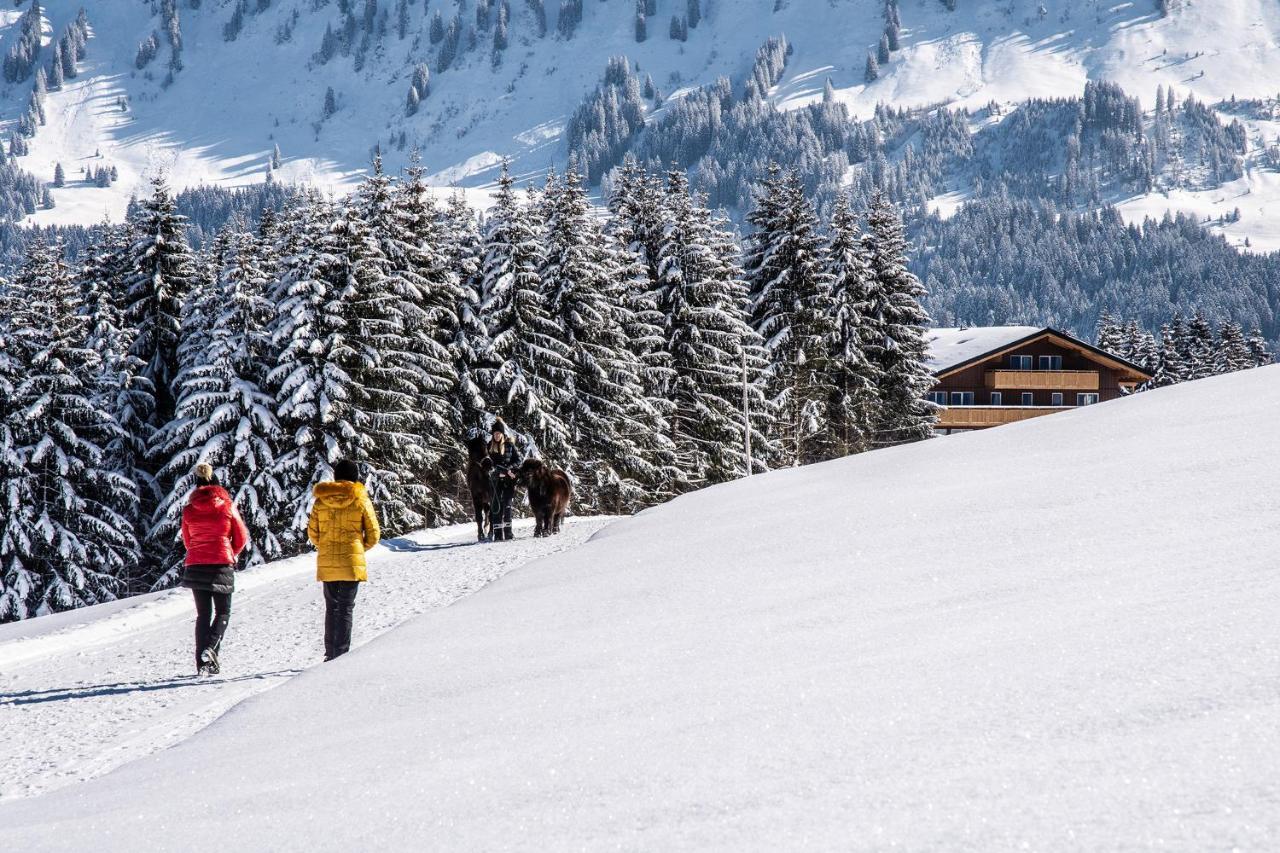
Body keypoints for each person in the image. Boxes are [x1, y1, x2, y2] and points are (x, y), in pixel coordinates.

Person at [180, 463, 250, 676]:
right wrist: (230, 552)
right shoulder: (227, 506)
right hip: (221, 562)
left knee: (203, 615)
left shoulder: (189, 509)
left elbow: (187, 540)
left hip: (195, 563)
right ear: (217, 486)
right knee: (223, 612)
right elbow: (241, 537)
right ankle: (210, 649)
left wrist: (198, 551)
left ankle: (203, 664)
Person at [308, 459, 381, 661]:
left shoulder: (321, 500)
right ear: (355, 477)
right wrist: (357, 548)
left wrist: (325, 547)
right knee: (346, 607)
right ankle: (341, 655)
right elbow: (374, 534)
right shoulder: (360, 499)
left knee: (331, 606)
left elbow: (313, 533)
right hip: (351, 562)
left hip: (327, 561)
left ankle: (330, 652)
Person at [487, 420, 519, 541]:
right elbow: (488, 465)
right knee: (496, 507)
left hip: (509, 481)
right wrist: (497, 473)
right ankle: (498, 534)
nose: (497, 435)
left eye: (499, 433)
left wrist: (510, 470)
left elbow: (518, 460)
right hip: (495, 482)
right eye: (495, 433)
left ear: (502, 434)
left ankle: (508, 532)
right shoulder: (489, 447)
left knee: (507, 506)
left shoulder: (510, 446)